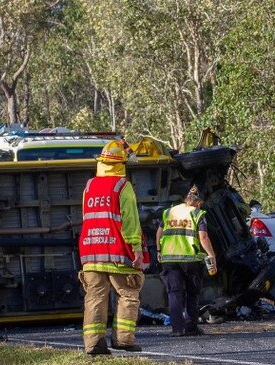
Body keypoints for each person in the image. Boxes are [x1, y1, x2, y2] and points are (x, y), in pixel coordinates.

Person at [78, 140, 145, 355]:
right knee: (128, 293)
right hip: (116, 252)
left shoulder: (89, 186)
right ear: (121, 164)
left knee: (95, 297)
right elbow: (130, 220)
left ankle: (94, 344)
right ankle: (124, 340)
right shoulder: (122, 186)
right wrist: (136, 249)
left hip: (90, 252)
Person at [156, 184, 217, 337]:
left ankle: (177, 329)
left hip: (169, 258)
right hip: (191, 260)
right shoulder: (197, 213)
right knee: (192, 293)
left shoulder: (169, 212)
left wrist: (158, 250)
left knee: (174, 293)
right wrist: (211, 255)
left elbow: (159, 233)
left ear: (185, 199)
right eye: (200, 203)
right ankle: (191, 327)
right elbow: (203, 237)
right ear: (198, 202)